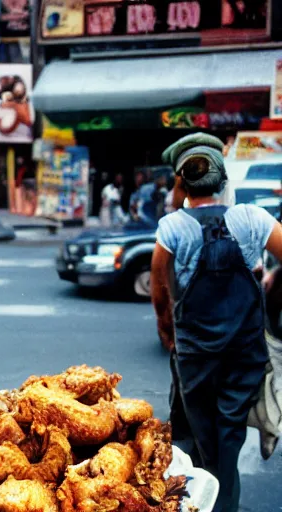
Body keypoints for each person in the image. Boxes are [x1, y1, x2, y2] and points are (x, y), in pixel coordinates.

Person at [150, 133, 282, 512]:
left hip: (196, 359)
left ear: (183, 183)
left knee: (205, 437)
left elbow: (160, 288)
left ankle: (208, 500)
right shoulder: (253, 218)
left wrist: (166, 331)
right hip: (244, 357)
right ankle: (222, 500)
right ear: (225, 181)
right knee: (228, 436)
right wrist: (271, 289)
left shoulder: (173, 227)